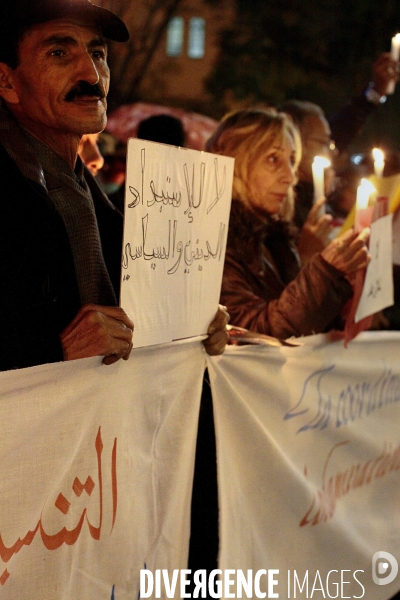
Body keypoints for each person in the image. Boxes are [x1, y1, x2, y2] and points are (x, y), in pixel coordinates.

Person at [0, 0, 228, 372]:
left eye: (97, 53)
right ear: (7, 81)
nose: (91, 75)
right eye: (58, 52)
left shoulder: (86, 193)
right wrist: (54, 349)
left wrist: (196, 320)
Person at [206, 107, 371, 339]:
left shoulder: (273, 239)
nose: (290, 176)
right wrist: (323, 271)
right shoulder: (212, 241)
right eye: (273, 159)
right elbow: (253, 334)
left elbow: (307, 327)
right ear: (235, 161)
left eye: (292, 161)